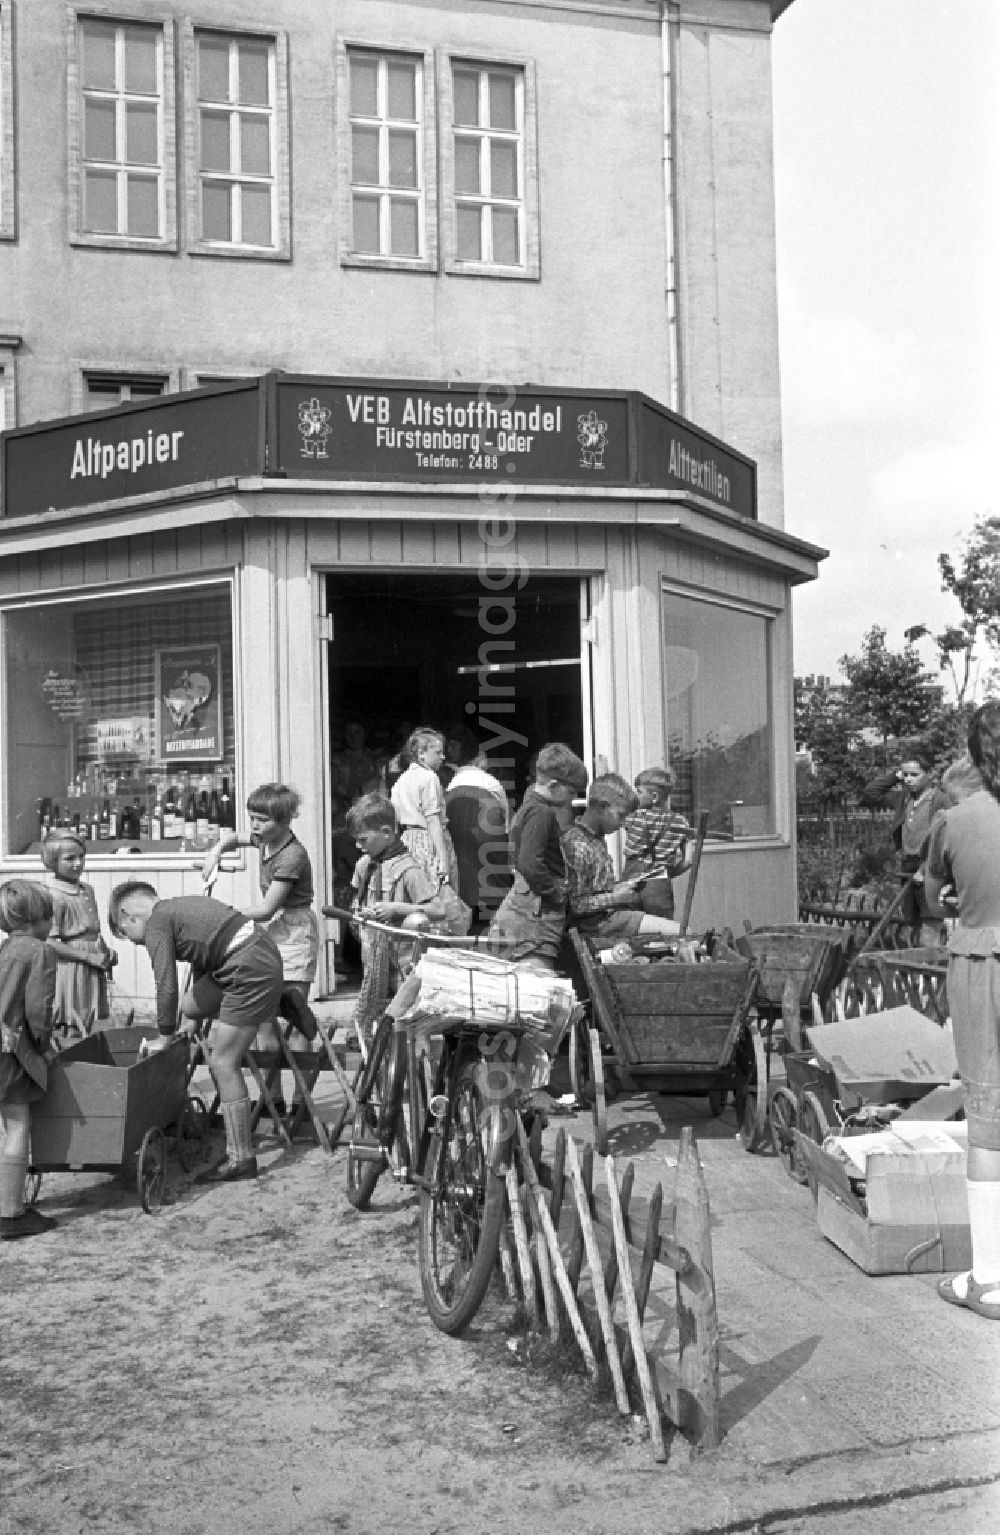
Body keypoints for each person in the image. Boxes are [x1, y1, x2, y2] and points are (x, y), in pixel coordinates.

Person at [109, 882, 284, 1183]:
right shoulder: (177, 910)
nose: (133, 941)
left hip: (248, 967)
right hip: (252, 954)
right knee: (190, 1006)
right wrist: (193, 1019)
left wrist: (164, 1036)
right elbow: (206, 958)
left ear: (128, 916)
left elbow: (166, 985)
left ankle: (241, 1158)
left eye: (125, 933)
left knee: (222, 1063)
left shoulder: (156, 924)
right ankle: (280, 998)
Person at [925, 701, 1000, 1320]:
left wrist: (961, 899)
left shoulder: (956, 819)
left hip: (985, 967)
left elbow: (935, 899)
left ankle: (991, 1279)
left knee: (989, 1121)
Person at [347, 794, 445, 1045]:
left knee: (405, 1018)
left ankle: (413, 1071)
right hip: (373, 956)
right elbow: (356, 903)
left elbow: (437, 910)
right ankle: (377, 1066)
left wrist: (397, 908)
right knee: (375, 1017)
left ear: (387, 832)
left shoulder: (408, 870)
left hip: (402, 962)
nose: (359, 846)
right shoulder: (364, 866)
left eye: (363, 840)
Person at [486, 742, 588, 967]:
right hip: (536, 914)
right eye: (571, 792)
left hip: (526, 906)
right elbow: (530, 863)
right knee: (537, 988)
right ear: (553, 785)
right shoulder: (541, 813)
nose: (572, 799)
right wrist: (556, 894)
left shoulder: (529, 805)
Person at [0, 880, 58, 1240]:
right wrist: (45, 1045)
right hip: (10, 1050)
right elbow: (38, 1009)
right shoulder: (39, 951)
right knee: (19, 1125)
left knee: (7, 1126)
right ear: (39, 918)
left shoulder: (5, 949)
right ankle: (9, 1211)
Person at [562, 772, 682, 947]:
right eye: (621, 815)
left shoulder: (596, 838)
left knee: (670, 939)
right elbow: (575, 905)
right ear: (602, 807)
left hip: (610, 917)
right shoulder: (578, 846)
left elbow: (596, 888)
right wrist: (616, 897)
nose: (624, 823)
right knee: (680, 933)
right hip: (597, 925)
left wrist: (621, 887)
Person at [860, 748, 949, 946]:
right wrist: (895, 776)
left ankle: (930, 970)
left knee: (930, 921)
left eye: (914, 775)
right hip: (908, 864)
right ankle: (919, 967)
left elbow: (945, 836)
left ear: (930, 775)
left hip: (930, 866)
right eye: (906, 775)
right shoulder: (903, 798)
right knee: (912, 921)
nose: (908, 779)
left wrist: (925, 868)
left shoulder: (940, 799)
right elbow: (870, 794)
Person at [40, 830, 116, 1037]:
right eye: (70, 859)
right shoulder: (52, 895)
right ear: (52, 861)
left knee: (88, 1021)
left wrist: (105, 952)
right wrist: (88, 957)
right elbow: (50, 941)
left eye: (81, 857)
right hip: (70, 966)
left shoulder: (86, 890)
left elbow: (92, 931)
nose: (78, 863)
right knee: (70, 1021)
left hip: (91, 964)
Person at [445, 745, 511, 927]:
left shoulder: (449, 785)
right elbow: (506, 827)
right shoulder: (492, 783)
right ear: (479, 758)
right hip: (488, 834)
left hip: (459, 843)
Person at [390, 727, 459, 891]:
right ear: (421, 753)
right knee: (439, 893)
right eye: (438, 752)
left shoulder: (401, 780)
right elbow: (432, 819)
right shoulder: (428, 777)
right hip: (429, 840)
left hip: (406, 841)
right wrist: (443, 859)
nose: (443, 757)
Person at [621, 767, 692, 920]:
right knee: (662, 933)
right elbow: (688, 861)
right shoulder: (681, 822)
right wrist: (667, 873)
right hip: (659, 884)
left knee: (629, 931)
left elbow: (612, 816)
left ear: (654, 796)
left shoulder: (634, 816)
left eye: (638, 792)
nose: (634, 796)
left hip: (630, 884)